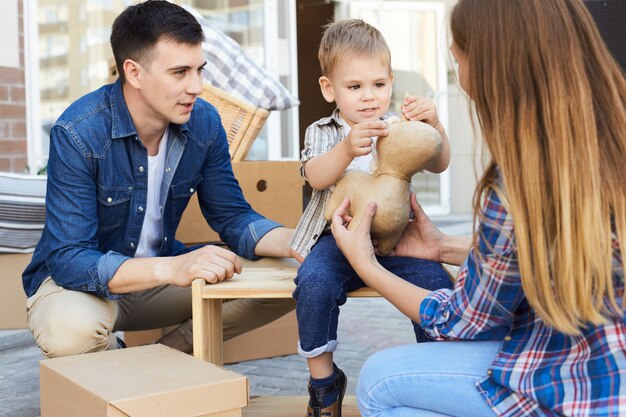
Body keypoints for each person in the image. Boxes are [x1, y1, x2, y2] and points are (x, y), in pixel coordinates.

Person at [331, 0, 626, 416]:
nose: (459, 75)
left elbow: (463, 321)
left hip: (579, 379)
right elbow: (562, 259)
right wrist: (442, 247)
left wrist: (366, 265)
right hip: (609, 356)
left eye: (457, 60)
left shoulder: (521, 178)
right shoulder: (609, 132)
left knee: (380, 381)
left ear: (492, 66)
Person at [22, 0, 294, 359]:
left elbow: (233, 218)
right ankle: (122, 370)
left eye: (200, 69)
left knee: (295, 279)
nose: (196, 86)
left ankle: (167, 356)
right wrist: (173, 267)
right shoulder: (79, 132)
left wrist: (299, 241)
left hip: (158, 282)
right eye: (180, 72)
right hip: (82, 289)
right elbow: (70, 260)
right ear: (134, 73)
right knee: (69, 331)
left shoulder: (204, 123)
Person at [289, 19, 453, 417]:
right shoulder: (324, 131)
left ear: (391, 82)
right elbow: (314, 177)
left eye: (378, 85)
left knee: (437, 283)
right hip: (339, 240)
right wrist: (346, 150)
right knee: (312, 284)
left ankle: (441, 370)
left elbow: (440, 163)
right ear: (330, 89)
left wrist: (435, 125)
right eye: (354, 87)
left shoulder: (399, 128)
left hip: (398, 240)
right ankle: (324, 384)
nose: (368, 98)